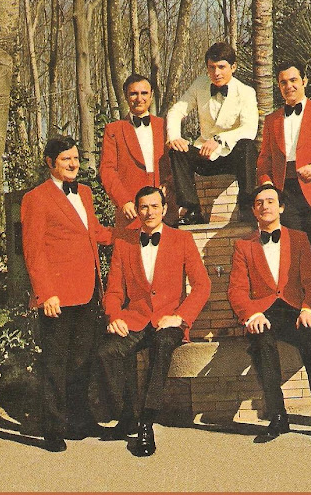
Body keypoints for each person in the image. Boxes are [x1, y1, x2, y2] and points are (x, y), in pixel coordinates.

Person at [97, 186, 211, 456]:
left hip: (168, 321)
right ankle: (128, 415)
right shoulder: (124, 243)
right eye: (144, 207)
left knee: (161, 348)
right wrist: (114, 316)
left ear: (164, 209)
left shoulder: (182, 240)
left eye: (155, 206)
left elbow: (202, 285)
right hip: (135, 319)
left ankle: (146, 423)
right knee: (106, 353)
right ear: (137, 211)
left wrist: (180, 317)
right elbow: (114, 291)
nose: (149, 212)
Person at [21, 136, 113, 452]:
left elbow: (94, 232)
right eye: (65, 159)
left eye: (75, 158)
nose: (73, 164)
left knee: (82, 360)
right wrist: (46, 293)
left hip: (87, 291)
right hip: (56, 297)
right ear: (50, 163)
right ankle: (52, 428)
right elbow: (33, 251)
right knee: (55, 364)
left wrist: (128, 233)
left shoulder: (84, 192)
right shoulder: (36, 198)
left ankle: (79, 421)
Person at [228, 184, 311, 447]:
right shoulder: (243, 246)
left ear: (281, 208)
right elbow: (236, 290)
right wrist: (251, 315)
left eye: (270, 201)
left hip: (294, 311)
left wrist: (308, 308)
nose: (265, 206)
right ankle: (278, 416)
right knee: (262, 343)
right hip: (263, 313)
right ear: (254, 211)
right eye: (259, 203)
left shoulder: (299, 239)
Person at [257, 62, 311, 276]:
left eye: (293, 80)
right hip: (284, 193)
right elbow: (265, 159)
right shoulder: (271, 120)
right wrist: (267, 184)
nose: (289, 86)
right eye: (283, 82)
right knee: (289, 254)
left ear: (304, 81)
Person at [167, 41, 258, 225]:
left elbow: (249, 129)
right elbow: (176, 111)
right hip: (204, 157)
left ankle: (247, 206)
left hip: (231, 157)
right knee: (177, 150)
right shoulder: (200, 84)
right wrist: (175, 137)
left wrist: (219, 139)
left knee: (248, 146)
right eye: (212, 67)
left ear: (233, 67)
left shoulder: (246, 92)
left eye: (221, 67)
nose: (216, 73)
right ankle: (192, 210)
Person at [100, 74, 172, 234]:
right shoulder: (114, 130)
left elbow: (175, 163)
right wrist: (123, 201)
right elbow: (107, 170)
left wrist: (168, 185)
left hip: (165, 209)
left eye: (144, 93)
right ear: (126, 96)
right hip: (131, 210)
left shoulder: (165, 126)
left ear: (151, 95)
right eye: (133, 94)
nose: (139, 99)